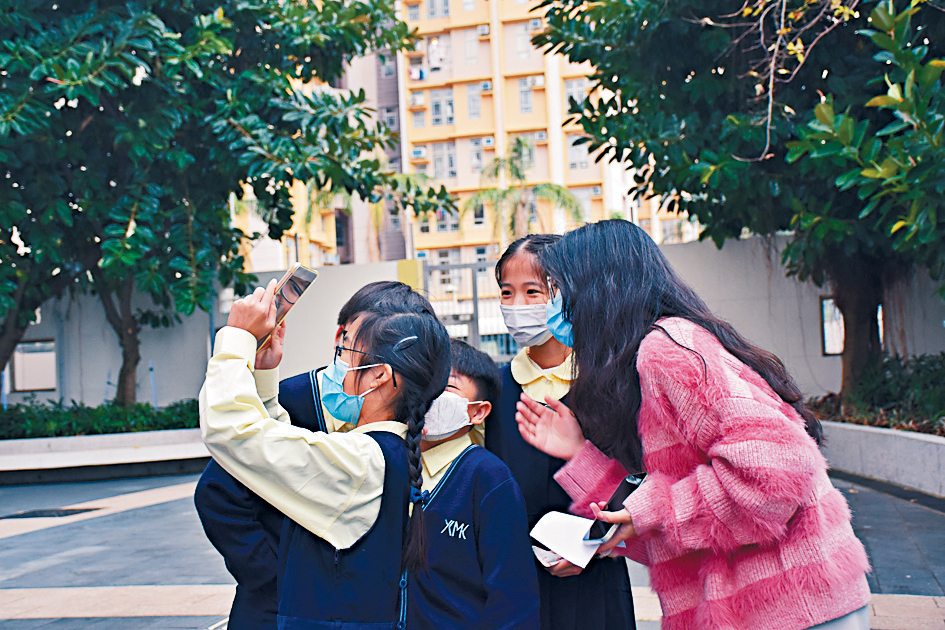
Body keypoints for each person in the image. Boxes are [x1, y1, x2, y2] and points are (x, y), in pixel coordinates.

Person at [515, 220, 871, 630]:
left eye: (560, 291)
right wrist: (579, 456)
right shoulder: (647, 359)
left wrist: (647, 510)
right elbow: (678, 523)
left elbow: (776, 474)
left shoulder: (668, 350)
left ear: (599, 291)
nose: (554, 308)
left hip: (795, 608)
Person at [200, 280, 450, 627]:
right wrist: (264, 374)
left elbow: (234, 433)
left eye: (346, 350)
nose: (337, 362)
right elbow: (280, 449)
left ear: (379, 375)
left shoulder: (361, 463)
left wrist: (236, 338)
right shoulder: (377, 453)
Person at [485, 234, 636, 630]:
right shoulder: (494, 393)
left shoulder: (608, 385)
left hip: (596, 578)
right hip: (516, 581)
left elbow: (638, 488)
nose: (516, 306)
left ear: (567, 294)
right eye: (506, 292)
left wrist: (595, 544)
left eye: (532, 292)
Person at [410, 339, 539, 629]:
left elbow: (513, 596)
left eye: (448, 386)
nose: (431, 393)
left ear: (478, 412)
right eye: (425, 380)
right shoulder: (390, 460)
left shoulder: (489, 478)